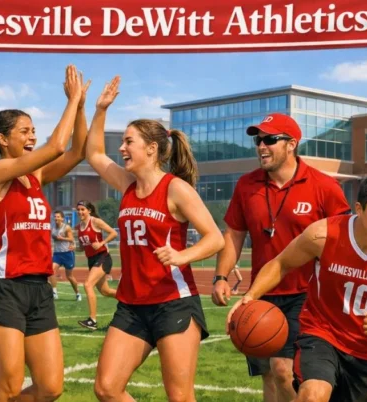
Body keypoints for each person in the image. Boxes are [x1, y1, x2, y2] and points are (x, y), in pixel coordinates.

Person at [227, 173, 367, 402]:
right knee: (312, 396)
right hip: (321, 333)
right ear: (359, 209)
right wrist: (251, 296)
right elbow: (281, 264)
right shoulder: (323, 234)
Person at [86, 76, 224, 402]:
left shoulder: (176, 189)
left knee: (179, 396)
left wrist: (182, 256)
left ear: (151, 149)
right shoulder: (126, 185)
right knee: (106, 388)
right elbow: (92, 153)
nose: (121, 148)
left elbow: (214, 238)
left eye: (128, 142)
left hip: (172, 302)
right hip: (132, 305)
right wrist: (101, 108)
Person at [0, 64, 88, 401]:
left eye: (34, 130)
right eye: (25, 131)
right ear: (2, 139)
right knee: (8, 388)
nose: (33, 137)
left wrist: (81, 106)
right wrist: (71, 99)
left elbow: (77, 151)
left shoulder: (35, 176)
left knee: (50, 387)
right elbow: (58, 146)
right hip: (5, 289)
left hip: (39, 288)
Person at [211, 112, 350, 401]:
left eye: (270, 139)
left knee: (284, 369)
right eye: (258, 140)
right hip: (261, 292)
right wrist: (221, 276)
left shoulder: (323, 186)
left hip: (307, 295)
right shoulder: (247, 185)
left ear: (291, 144)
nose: (262, 146)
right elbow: (234, 234)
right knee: (269, 375)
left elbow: (345, 238)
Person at [75, 200, 118, 330]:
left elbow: (114, 233)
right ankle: (129, 299)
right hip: (92, 260)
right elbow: (83, 247)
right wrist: (74, 248)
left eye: (83, 209)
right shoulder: (79, 227)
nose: (80, 212)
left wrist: (102, 243)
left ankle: (92, 320)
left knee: (88, 284)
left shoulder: (95, 221)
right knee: (105, 291)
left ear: (89, 210)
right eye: (78, 210)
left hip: (103, 257)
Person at [49, 210, 78, 301]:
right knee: (51, 271)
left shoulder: (66, 227)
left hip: (67, 253)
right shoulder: (52, 227)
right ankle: (54, 292)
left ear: (62, 218)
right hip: (57, 253)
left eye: (58, 217)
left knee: (69, 276)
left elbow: (71, 239)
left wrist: (62, 238)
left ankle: (77, 293)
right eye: (55, 216)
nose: (56, 218)